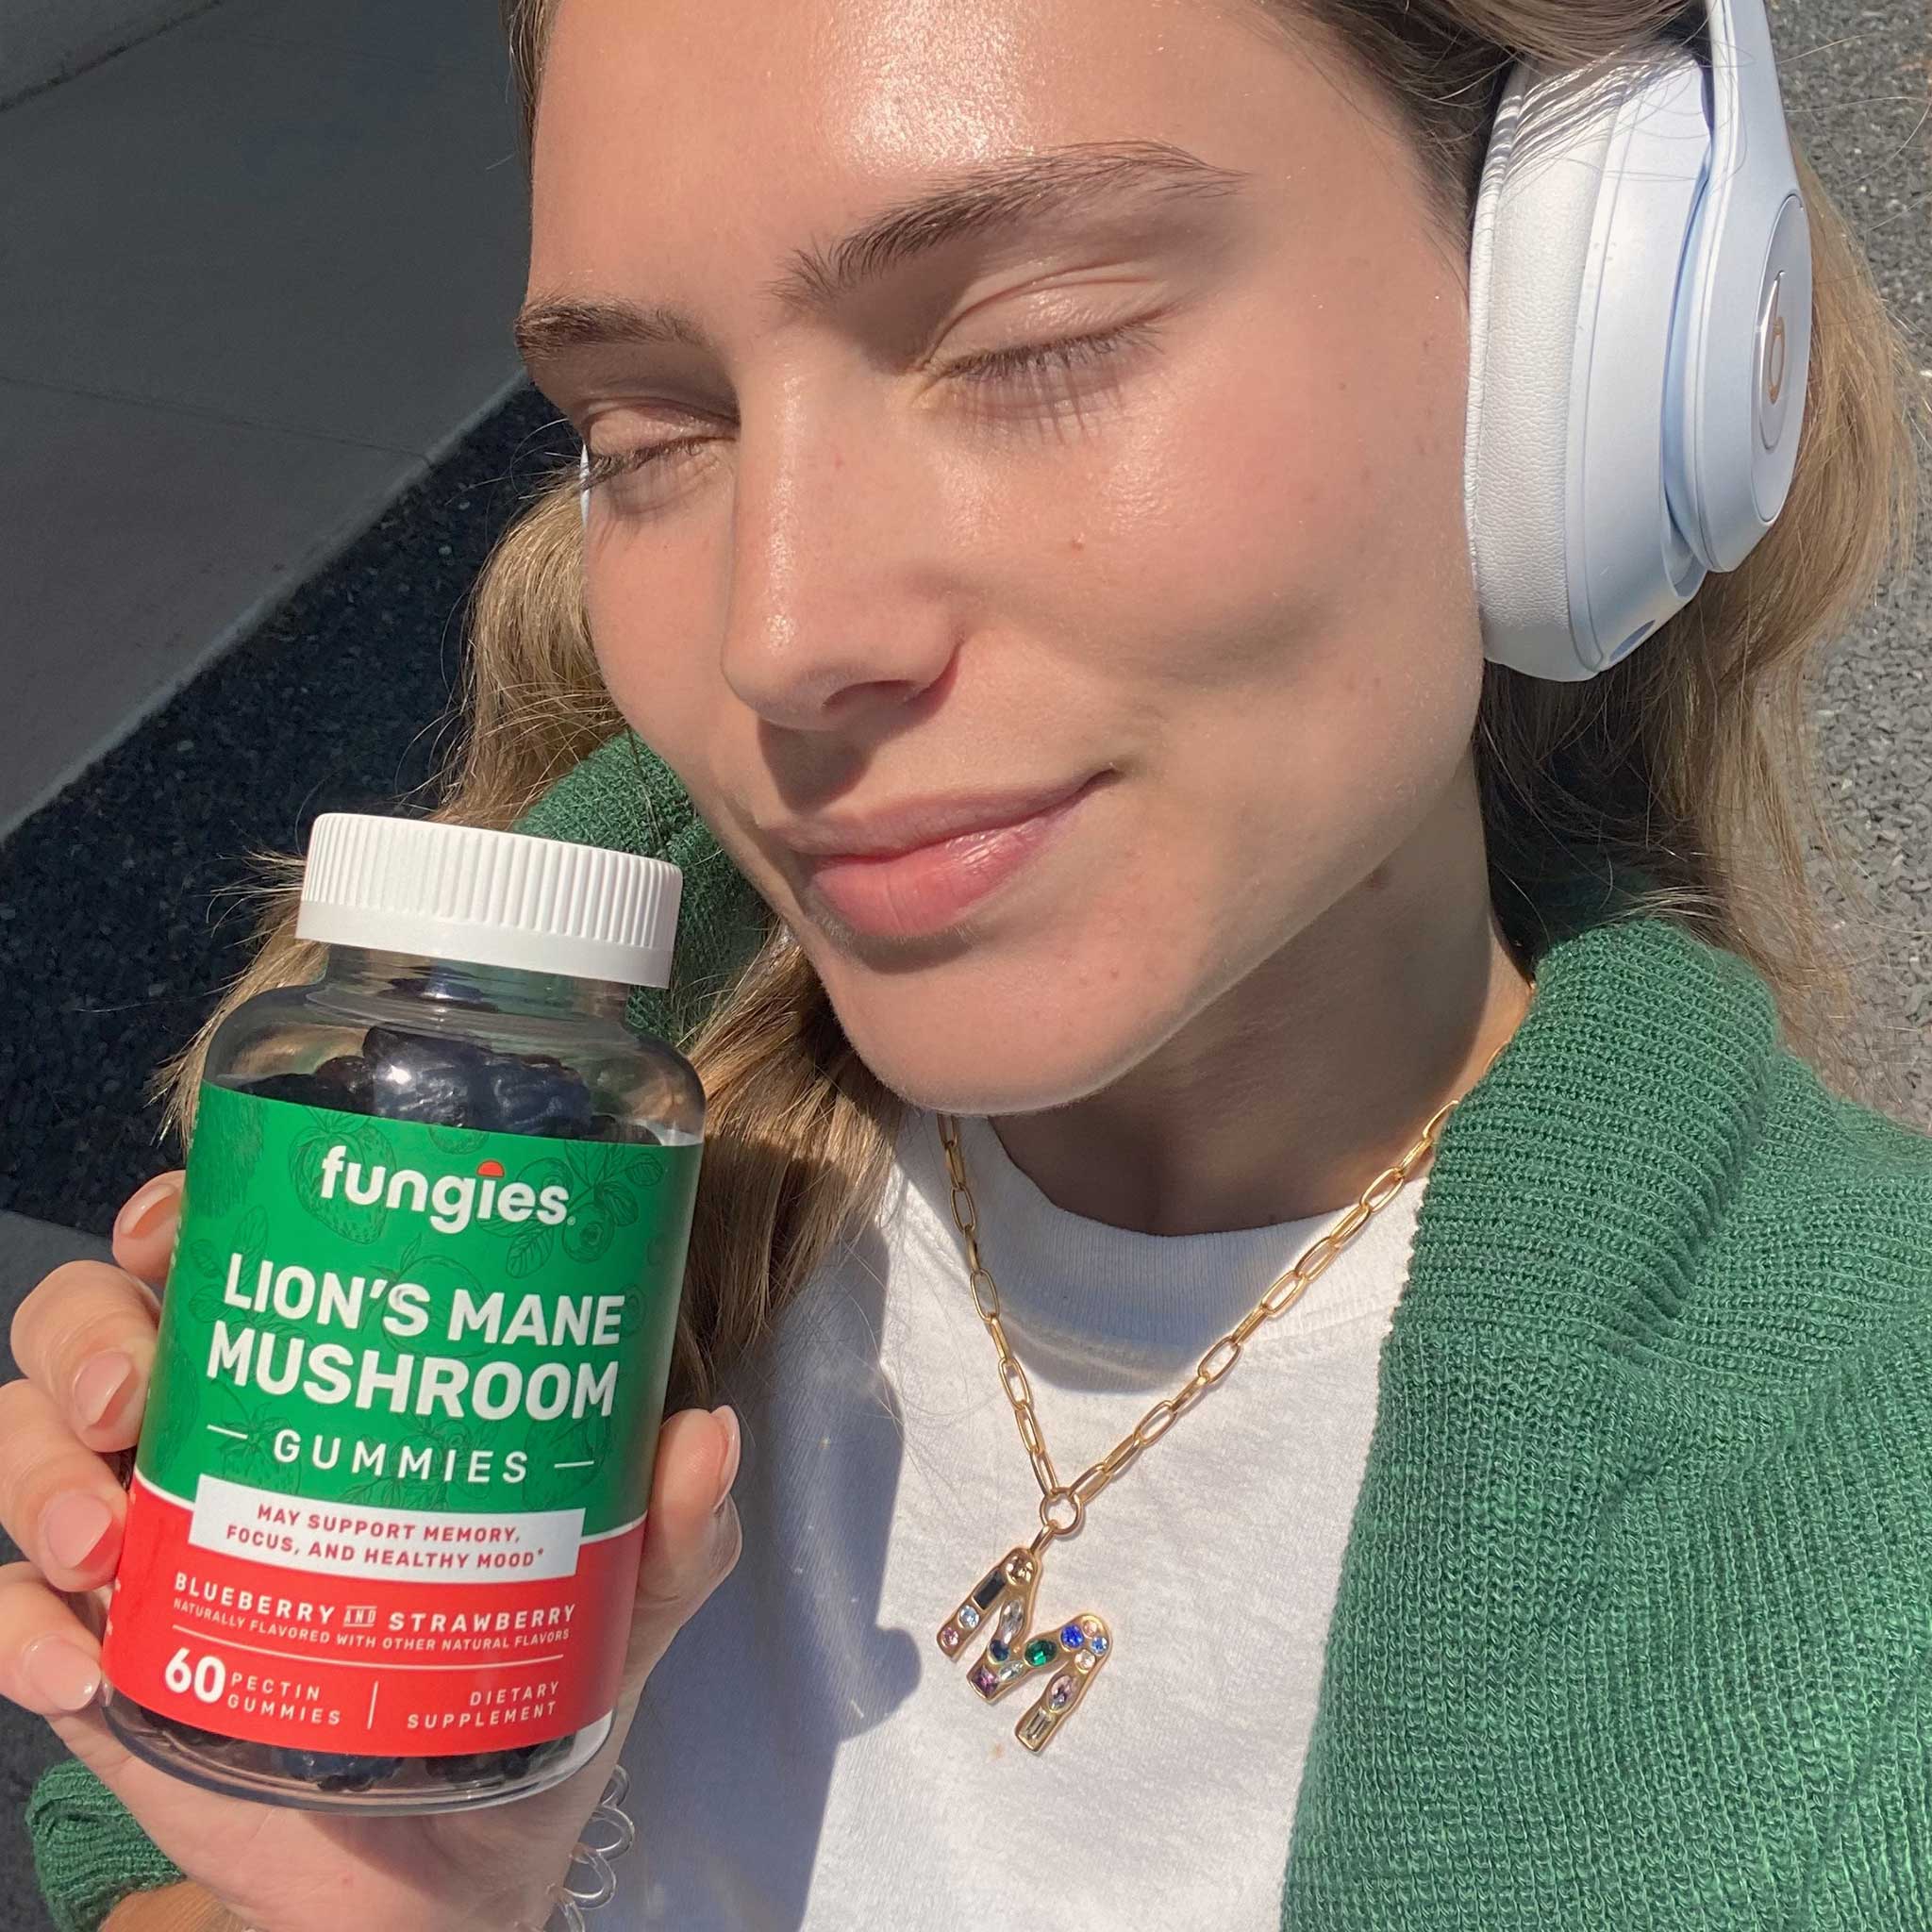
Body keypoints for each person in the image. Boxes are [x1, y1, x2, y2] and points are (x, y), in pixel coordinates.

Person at [9, 0, 1931, 1924]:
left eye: (1034, 343)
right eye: (647, 430)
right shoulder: (485, 1185)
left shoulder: (1865, 1564)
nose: (780, 631)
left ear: (1592, 342)